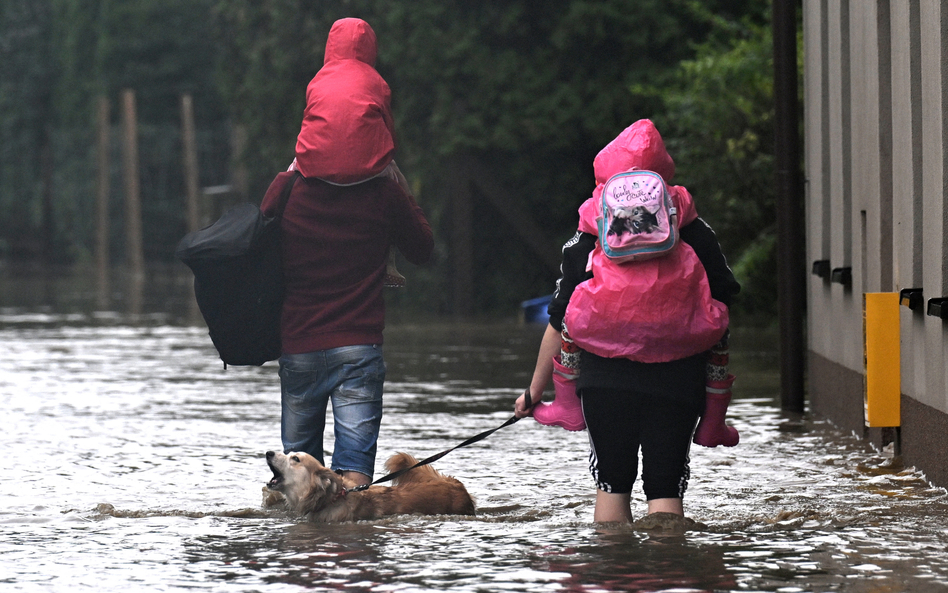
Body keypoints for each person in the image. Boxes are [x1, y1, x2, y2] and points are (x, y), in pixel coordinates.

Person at [514, 119, 740, 523]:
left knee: (612, 486)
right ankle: (670, 572)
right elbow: (724, 297)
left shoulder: (590, 230)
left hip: (604, 379)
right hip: (679, 376)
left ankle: (614, 574)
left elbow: (559, 317)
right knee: (666, 488)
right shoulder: (692, 226)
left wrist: (535, 391)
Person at [261, 17, 433, 488]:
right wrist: (398, 188)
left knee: (296, 482)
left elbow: (257, 240)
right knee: (354, 480)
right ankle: (353, 558)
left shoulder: (288, 187)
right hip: (359, 345)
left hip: (297, 344)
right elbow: (423, 249)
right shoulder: (385, 194)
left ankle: (303, 559)